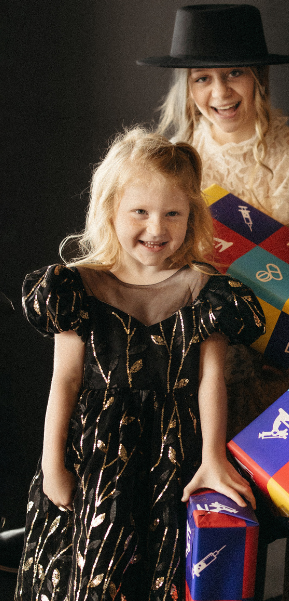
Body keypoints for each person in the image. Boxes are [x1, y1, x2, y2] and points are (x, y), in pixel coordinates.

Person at [15, 129, 265, 601]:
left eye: (173, 213)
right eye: (140, 212)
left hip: (172, 459)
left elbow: (212, 380)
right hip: (96, 462)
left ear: (192, 217)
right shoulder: (77, 288)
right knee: (91, 576)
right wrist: (53, 464)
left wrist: (213, 457)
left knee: (161, 572)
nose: (157, 228)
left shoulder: (204, 291)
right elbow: (64, 381)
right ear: (110, 210)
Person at [138, 4, 289, 435]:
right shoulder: (167, 171)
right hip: (198, 380)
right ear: (187, 86)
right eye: (203, 78)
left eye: (234, 72)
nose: (220, 92)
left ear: (259, 75)